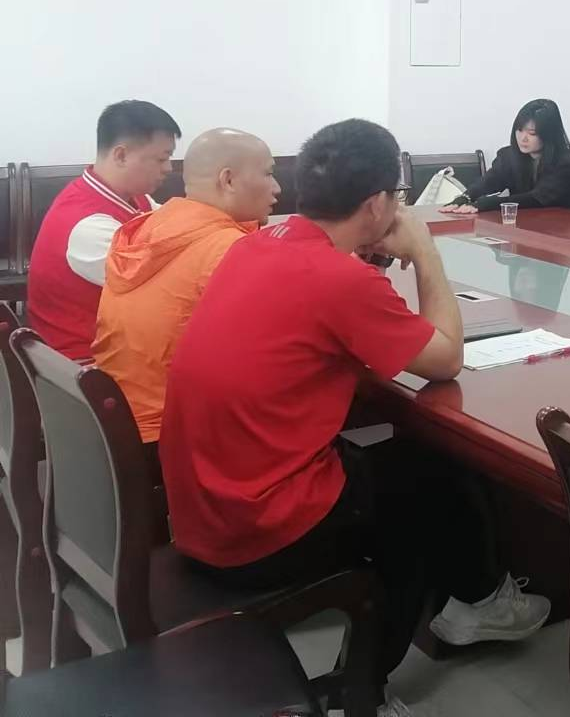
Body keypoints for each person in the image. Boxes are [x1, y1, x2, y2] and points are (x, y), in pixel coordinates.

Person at [160, 119, 548, 717]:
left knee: (416, 467)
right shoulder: (338, 279)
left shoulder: (258, 243)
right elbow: (445, 359)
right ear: (376, 204)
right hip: (256, 528)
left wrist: (367, 260)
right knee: (423, 503)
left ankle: (475, 602)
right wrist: (425, 251)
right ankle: (364, 692)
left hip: (201, 504)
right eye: (397, 196)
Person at [92, 128, 279, 445]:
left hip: (117, 419)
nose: (277, 188)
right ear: (228, 180)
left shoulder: (150, 225)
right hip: (172, 434)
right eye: (269, 174)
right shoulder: (229, 249)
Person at [29, 100, 180, 358]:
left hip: (123, 341)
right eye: (161, 159)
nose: (169, 168)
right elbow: (166, 290)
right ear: (121, 155)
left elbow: (178, 228)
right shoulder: (88, 225)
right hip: (89, 363)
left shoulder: (135, 197)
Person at [439, 98, 570, 215]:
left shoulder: (566, 164)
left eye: (532, 133)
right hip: (525, 225)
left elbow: (536, 199)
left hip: (560, 227)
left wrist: (485, 204)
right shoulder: (508, 156)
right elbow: (489, 181)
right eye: (519, 130)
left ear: (548, 135)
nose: (523, 138)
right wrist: (465, 197)